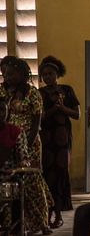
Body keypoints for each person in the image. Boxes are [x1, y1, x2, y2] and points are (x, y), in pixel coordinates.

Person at [0, 57, 53, 234]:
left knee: (31, 183)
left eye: (11, 74)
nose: (7, 77)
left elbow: (37, 122)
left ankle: (41, 221)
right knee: (11, 181)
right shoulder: (3, 92)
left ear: (23, 74)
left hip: (29, 142)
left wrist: (27, 147)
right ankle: (17, 223)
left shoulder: (33, 94)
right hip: (6, 141)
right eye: (5, 74)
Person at [38, 56, 80, 229]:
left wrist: (62, 108)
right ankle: (47, 214)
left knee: (61, 173)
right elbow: (39, 117)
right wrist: (54, 109)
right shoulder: (39, 93)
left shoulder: (67, 90)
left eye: (50, 73)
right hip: (46, 139)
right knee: (48, 175)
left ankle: (59, 214)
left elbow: (77, 115)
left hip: (62, 139)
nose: (47, 77)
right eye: (44, 74)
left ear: (58, 74)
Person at [0, 98, 29, 232]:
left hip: (8, 177)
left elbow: (23, 158)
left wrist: (17, 168)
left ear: (8, 112)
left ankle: (15, 228)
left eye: (2, 110)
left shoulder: (16, 132)